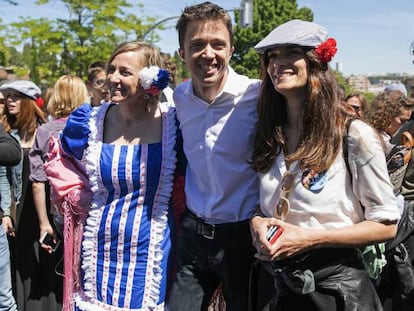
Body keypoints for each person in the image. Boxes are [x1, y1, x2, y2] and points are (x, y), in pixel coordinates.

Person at [249, 19, 400, 310]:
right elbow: (265, 205)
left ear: (315, 61)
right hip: (276, 287)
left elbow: (385, 224)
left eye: (290, 52)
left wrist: (310, 239)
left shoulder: (353, 134)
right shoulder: (269, 133)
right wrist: (257, 222)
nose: (278, 63)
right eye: (272, 56)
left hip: (334, 290)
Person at [46, 41, 175, 310]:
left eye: (125, 72)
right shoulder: (88, 121)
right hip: (99, 248)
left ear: (148, 78)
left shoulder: (173, 124)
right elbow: (62, 159)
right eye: (111, 69)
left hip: (149, 250)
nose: (113, 78)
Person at [168, 2, 261, 311]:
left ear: (231, 49)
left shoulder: (257, 97)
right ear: (182, 52)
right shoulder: (177, 99)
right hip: (194, 237)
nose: (208, 53)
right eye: (197, 45)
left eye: (217, 44)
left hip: (244, 238)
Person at [0, 80, 49, 311]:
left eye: (15, 96)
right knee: (20, 265)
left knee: (42, 262)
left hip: (42, 208)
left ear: (29, 102)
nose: (9, 100)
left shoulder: (45, 132)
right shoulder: (9, 136)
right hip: (18, 208)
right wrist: (7, 212)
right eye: (7, 96)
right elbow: (5, 178)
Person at [30, 74, 90, 256]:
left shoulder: (44, 131)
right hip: (93, 207)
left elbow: (37, 182)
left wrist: (43, 223)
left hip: (61, 211)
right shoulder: (96, 127)